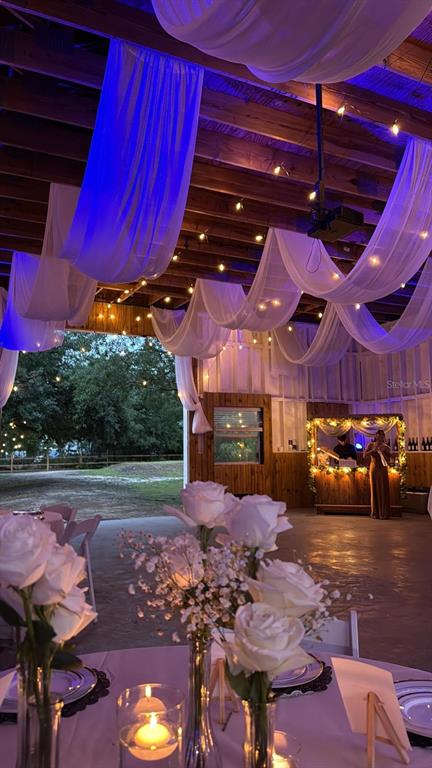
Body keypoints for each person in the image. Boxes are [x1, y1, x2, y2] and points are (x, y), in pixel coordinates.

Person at [365, 429, 391, 519]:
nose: (380, 438)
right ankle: (375, 512)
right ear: (375, 436)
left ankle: (383, 512)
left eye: (382, 436)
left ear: (383, 437)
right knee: (374, 489)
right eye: (378, 436)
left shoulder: (386, 447)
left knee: (383, 488)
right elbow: (365, 455)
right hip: (374, 469)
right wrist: (374, 450)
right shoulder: (371, 445)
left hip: (383, 469)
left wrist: (384, 452)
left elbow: (389, 458)